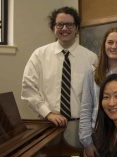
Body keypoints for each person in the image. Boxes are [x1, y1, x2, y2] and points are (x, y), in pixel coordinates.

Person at [21, 7, 97, 147]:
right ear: (53, 28)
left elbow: (96, 97)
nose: (64, 28)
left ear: (76, 28)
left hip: (80, 127)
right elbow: (28, 89)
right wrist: (48, 113)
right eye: (59, 24)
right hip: (48, 124)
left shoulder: (91, 58)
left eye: (69, 24)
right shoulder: (39, 55)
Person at [79, 27, 117, 157]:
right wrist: (86, 142)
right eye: (110, 42)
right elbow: (86, 107)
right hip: (99, 136)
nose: (114, 46)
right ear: (104, 45)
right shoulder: (92, 73)